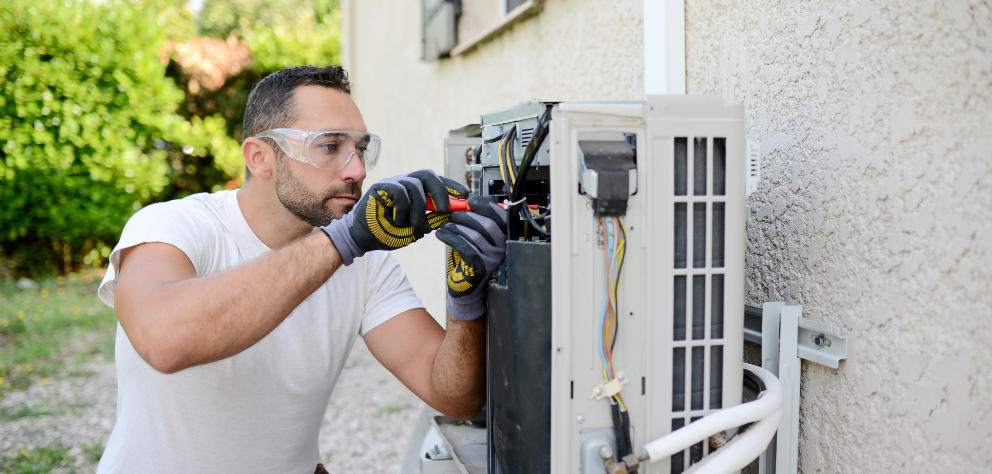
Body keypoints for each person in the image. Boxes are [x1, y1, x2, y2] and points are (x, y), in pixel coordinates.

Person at [95, 65, 506, 473]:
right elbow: (165, 340)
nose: (357, 170)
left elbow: (453, 396)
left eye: (360, 148)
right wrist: (341, 242)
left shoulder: (366, 263)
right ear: (260, 157)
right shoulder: (173, 226)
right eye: (329, 146)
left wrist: (465, 300)